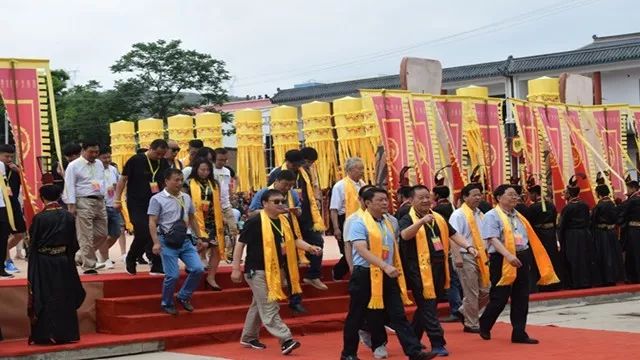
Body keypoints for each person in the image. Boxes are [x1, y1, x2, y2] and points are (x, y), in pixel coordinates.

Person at [341, 187, 436, 360]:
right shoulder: (358, 222)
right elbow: (361, 249)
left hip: (388, 273)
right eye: (380, 200)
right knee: (356, 315)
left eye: (386, 199)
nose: (385, 203)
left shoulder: (391, 221)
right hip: (366, 274)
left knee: (398, 313)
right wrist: (384, 265)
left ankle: (414, 351)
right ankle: (348, 353)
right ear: (368, 203)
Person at [231, 189, 321, 355]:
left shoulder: (284, 221)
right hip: (255, 270)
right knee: (269, 305)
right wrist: (236, 268)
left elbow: (294, 240)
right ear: (265, 203)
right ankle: (286, 339)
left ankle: (249, 336)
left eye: (282, 201)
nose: (281, 204)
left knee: (259, 304)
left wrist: (309, 247)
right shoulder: (255, 221)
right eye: (276, 202)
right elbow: (240, 244)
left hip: (274, 270)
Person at [398, 185, 476, 356]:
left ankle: (412, 338)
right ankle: (437, 342)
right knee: (428, 305)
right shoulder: (406, 217)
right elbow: (404, 235)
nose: (426, 200)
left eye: (428, 197)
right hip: (418, 269)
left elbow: (453, 234)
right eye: (421, 198)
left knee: (428, 305)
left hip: (440, 267)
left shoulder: (438, 217)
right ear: (411, 200)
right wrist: (420, 222)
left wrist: (469, 247)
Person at [479, 184, 559, 343]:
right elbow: (492, 239)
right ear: (499, 198)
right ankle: (485, 323)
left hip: (522, 256)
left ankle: (519, 332)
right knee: (500, 297)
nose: (515, 197)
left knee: (521, 296)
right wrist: (508, 255)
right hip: (502, 259)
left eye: (516, 195)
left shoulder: (519, 215)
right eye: (510, 195)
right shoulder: (491, 215)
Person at [28, 183, 86, 344]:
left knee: (45, 295)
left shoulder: (39, 218)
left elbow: (33, 241)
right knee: (64, 295)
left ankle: (45, 335)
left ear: (42, 197)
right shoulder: (68, 216)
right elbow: (73, 243)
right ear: (59, 196)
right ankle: (66, 334)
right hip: (63, 261)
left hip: (44, 262)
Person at [148, 168, 207, 315]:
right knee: (172, 275)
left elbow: (192, 217)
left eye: (181, 180)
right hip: (167, 240)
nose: (179, 183)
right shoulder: (157, 199)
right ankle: (166, 302)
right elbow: (152, 221)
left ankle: (184, 295)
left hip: (185, 240)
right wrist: (156, 242)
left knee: (198, 268)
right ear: (166, 181)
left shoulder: (186, 197)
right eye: (176, 180)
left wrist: (198, 237)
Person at [248, 170, 306, 314]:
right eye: (285, 185)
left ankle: (295, 300)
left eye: (290, 186)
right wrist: (272, 210)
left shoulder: (292, 194)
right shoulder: (264, 193)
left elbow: (299, 210)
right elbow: (251, 212)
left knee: (292, 268)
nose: (287, 188)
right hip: (268, 236)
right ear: (278, 180)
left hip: (286, 233)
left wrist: (295, 211)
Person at [268, 149, 327, 291]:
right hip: (285, 218)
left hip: (304, 216)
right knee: (287, 248)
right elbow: (270, 196)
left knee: (317, 241)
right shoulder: (276, 174)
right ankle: (287, 280)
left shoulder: (304, 172)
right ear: (288, 163)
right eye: (296, 165)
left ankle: (313, 275)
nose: (299, 167)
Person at [115, 139, 171, 276]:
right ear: (150, 149)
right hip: (136, 203)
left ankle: (157, 264)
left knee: (157, 232)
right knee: (143, 231)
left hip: (156, 202)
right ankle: (131, 257)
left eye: (162, 155)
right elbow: (123, 179)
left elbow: (165, 182)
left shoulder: (163, 163)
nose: (159, 157)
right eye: (157, 154)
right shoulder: (136, 160)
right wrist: (117, 199)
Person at [448, 183, 490, 334]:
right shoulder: (458, 215)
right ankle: (471, 323)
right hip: (465, 256)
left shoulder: (480, 213)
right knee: (471, 291)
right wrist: (457, 257)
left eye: (480, 194)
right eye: (474, 195)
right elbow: (453, 236)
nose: (478, 197)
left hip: (480, 255)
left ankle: (462, 311)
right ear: (465, 197)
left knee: (487, 289)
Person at [64, 140, 108, 275]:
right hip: (83, 200)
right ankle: (89, 265)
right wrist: (71, 205)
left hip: (99, 200)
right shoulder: (74, 165)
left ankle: (80, 255)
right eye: (91, 152)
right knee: (85, 234)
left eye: (97, 152)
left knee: (102, 234)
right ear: (83, 150)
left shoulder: (99, 163)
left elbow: (102, 181)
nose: (94, 154)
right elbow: (69, 185)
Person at [186, 158, 225, 291]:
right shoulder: (189, 183)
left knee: (216, 250)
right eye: (202, 169)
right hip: (196, 220)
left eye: (208, 170)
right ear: (196, 169)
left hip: (213, 220)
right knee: (202, 245)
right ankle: (191, 264)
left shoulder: (214, 183)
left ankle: (211, 277)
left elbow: (219, 201)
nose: (205, 172)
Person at [431, 176, 463, 323]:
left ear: (436, 195)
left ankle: (456, 309)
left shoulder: (438, 210)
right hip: (452, 244)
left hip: (446, 245)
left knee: (450, 280)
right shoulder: (451, 206)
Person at [330, 157, 366, 280]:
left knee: (360, 247)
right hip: (344, 220)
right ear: (350, 170)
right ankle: (337, 272)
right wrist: (336, 228)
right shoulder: (339, 186)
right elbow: (334, 208)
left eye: (363, 168)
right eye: (359, 169)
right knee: (348, 251)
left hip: (361, 220)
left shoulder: (363, 185)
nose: (362, 171)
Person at [525, 179, 562, 291]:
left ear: (535, 194)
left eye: (530, 194)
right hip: (550, 233)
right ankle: (555, 283)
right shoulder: (551, 205)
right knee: (552, 257)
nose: (529, 196)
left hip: (539, 235)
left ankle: (543, 283)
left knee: (540, 258)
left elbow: (529, 223)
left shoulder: (532, 208)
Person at [558, 175, 593, 289]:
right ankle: (586, 281)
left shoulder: (568, 208)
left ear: (569, 194)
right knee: (584, 257)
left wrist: (560, 238)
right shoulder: (585, 205)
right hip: (584, 234)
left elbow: (562, 225)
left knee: (573, 258)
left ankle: (576, 282)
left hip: (572, 236)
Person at [591, 176, 623, 286]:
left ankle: (607, 278)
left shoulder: (599, 206)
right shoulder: (612, 204)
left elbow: (593, 220)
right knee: (614, 254)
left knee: (605, 255)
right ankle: (615, 276)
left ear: (599, 193)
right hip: (612, 232)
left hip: (602, 233)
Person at [0, 145, 27, 274]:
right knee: (4, 234)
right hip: (2, 205)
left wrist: (18, 171)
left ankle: (3, 256)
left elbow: (28, 184)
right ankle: (7, 260)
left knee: (20, 233)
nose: (9, 159)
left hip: (14, 203)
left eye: (11, 156)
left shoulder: (16, 169)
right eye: (6, 156)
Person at [96, 147, 122, 270]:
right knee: (103, 234)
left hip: (113, 205)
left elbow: (119, 184)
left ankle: (97, 253)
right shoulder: (95, 170)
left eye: (108, 157)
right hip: (102, 205)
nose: (107, 160)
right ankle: (105, 258)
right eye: (104, 157)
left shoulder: (113, 169)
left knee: (116, 232)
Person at [213, 148, 239, 261]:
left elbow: (230, 183)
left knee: (233, 229)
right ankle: (218, 254)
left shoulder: (227, 171)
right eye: (220, 160)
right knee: (219, 231)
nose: (222, 162)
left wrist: (232, 192)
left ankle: (230, 254)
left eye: (225, 160)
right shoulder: (210, 170)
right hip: (214, 206)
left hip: (226, 204)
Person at [618, 174, 640, 283]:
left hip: (633, 229)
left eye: (628, 188)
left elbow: (624, 214)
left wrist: (619, 222)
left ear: (633, 188)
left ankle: (635, 277)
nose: (627, 190)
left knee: (633, 253)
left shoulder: (632, 201)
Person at [0, 159, 14, 278]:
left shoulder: (0, 165)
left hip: (1, 205)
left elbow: (5, 184)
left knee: (3, 236)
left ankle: (1, 267)